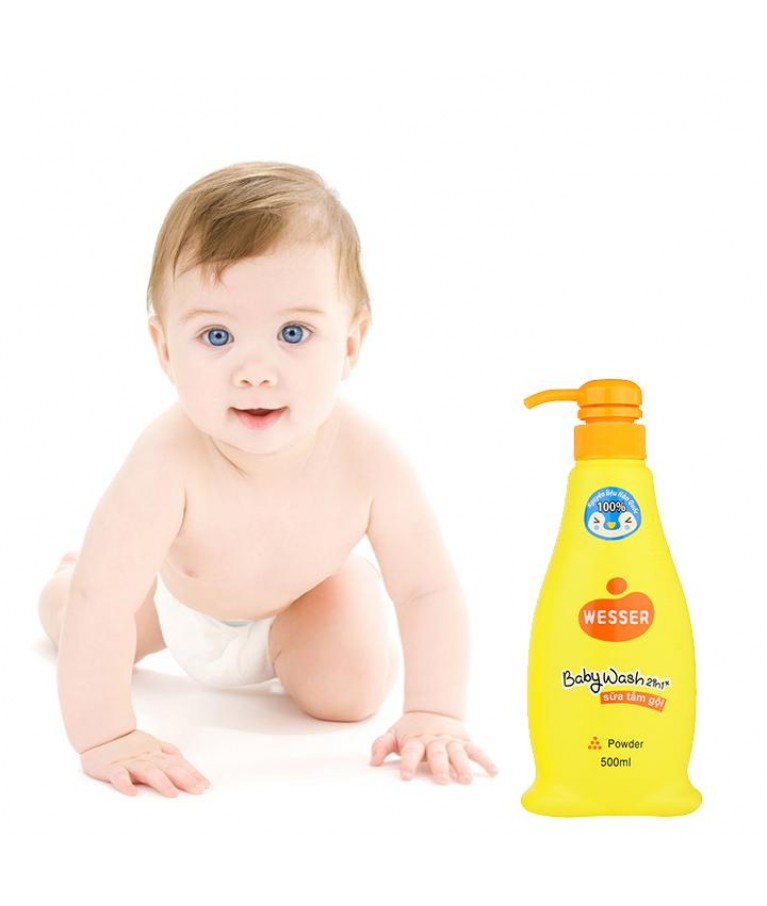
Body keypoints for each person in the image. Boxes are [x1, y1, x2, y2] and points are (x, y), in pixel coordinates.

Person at [38, 161, 499, 797]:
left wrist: (435, 711)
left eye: (293, 333)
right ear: (166, 349)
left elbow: (426, 590)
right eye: (217, 335)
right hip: (176, 608)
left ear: (351, 343)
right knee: (79, 610)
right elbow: (105, 604)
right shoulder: (167, 459)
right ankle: (71, 573)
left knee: (351, 694)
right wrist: (107, 734)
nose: (255, 370)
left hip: (302, 607)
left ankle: (323, 626)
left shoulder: (369, 458)